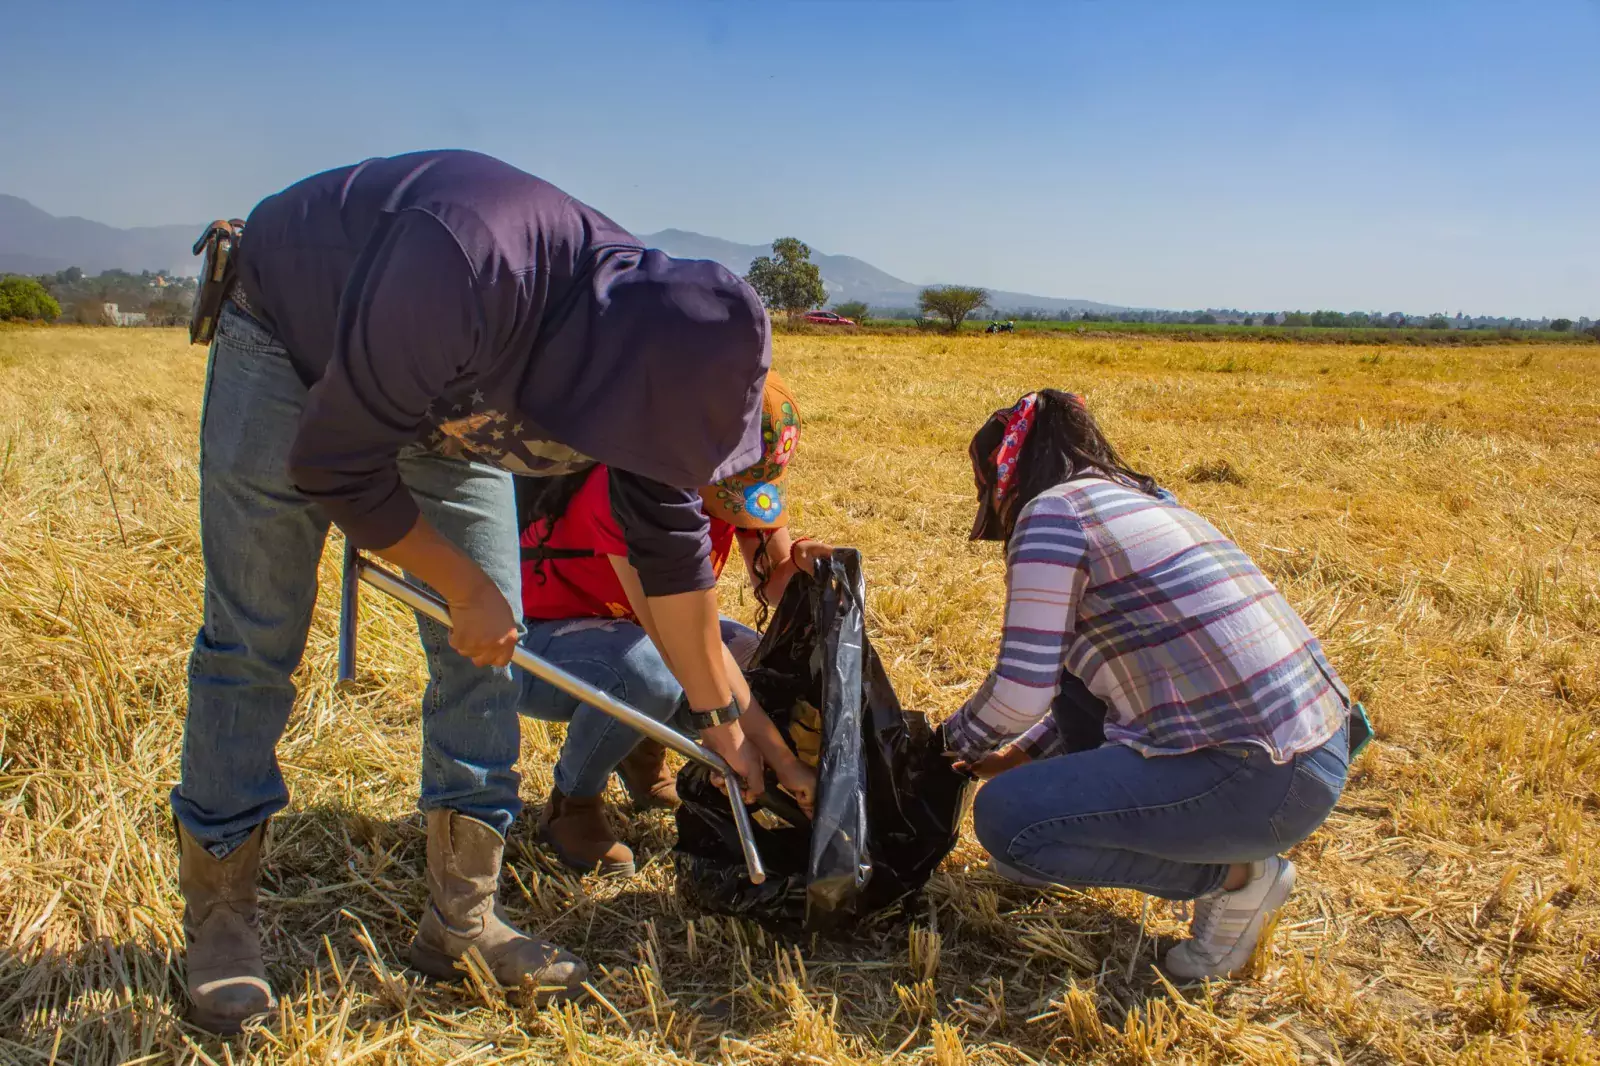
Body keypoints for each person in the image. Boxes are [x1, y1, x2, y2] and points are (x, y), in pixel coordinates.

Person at [170, 150, 773, 1033]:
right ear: (609, 376)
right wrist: (462, 586)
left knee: (493, 653)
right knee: (254, 641)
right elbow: (334, 464)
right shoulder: (468, 260)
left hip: (448, 389)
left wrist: (727, 721)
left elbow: (672, 561)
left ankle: (462, 920)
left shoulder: (663, 348)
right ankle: (220, 919)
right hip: (293, 344)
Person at [945, 389, 1353, 980]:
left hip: (1259, 775)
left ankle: (1237, 879)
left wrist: (945, 747)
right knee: (1035, 793)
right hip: (1316, 749)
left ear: (1005, 479)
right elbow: (1074, 701)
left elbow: (1019, 692)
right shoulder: (1143, 500)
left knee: (1009, 821)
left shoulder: (1051, 515)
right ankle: (1113, 839)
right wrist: (1001, 758)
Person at [513, 371, 828, 876]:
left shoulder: (729, 480)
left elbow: (773, 582)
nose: (739, 509)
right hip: (539, 644)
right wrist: (773, 756)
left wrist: (809, 568)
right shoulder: (630, 493)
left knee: (754, 656)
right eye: (727, 490)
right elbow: (685, 637)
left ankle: (639, 751)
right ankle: (571, 803)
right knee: (648, 670)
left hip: (630, 632)